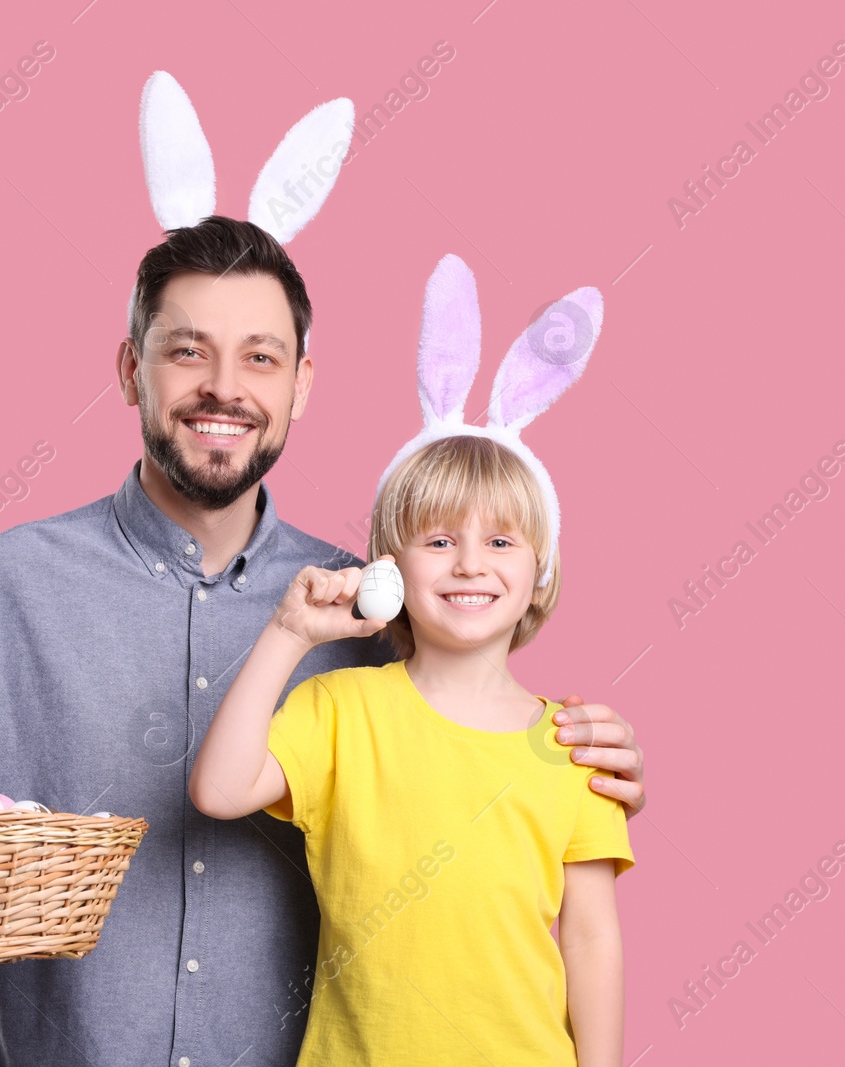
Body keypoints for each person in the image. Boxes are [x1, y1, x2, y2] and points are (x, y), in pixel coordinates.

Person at [0, 220, 647, 1066]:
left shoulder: (372, 610)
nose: (223, 388)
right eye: (187, 352)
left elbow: (476, 811)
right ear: (131, 369)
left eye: (260, 356)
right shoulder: (1, 586)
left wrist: (579, 758)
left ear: (301, 384)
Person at [188, 255, 628, 1065]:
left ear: (541, 572)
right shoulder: (339, 711)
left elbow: (592, 936)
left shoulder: (571, 743)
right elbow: (217, 789)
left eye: (500, 540)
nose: (468, 564)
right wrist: (286, 633)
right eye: (437, 540)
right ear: (390, 568)